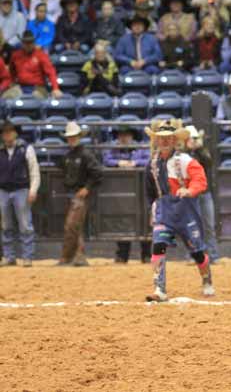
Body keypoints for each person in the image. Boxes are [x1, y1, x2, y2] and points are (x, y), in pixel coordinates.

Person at [144, 118, 215, 301]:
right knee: (158, 245)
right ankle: (159, 288)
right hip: (164, 211)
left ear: (175, 140)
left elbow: (200, 180)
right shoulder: (152, 165)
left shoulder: (185, 160)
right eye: (161, 137)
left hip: (186, 211)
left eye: (168, 137)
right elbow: (150, 192)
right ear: (156, 140)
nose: (164, 141)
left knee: (197, 252)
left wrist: (190, 190)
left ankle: (206, 279)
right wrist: (153, 210)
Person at [56, 121, 103, 266]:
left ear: (79, 137)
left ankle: (69, 256)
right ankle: (76, 256)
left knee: (72, 224)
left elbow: (97, 173)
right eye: (70, 137)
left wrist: (87, 188)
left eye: (74, 136)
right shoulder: (68, 156)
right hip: (72, 193)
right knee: (75, 225)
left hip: (79, 194)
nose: (71, 139)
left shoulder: (86, 154)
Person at [103, 125, 151, 263]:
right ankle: (122, 255)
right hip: (121, 191)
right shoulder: (113, 149)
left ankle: (146, 255)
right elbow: (106, 160)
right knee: (122, 221)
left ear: (132, 136)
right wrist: (119, 163)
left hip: (141, 190)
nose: (124, 137)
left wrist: (134, 163)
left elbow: (148, 160)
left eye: (126, 135)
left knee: (144, 221)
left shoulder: (141, 148)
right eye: (121, 135)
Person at [0, 120, 40, 267]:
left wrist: (33, 189)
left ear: (15, 133)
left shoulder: (26, 148)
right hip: (3, 191)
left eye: (9, 132)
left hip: (21, 190)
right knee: (5, 225)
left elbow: (34, 171)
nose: (7, 135)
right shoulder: (1, 150)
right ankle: (9, 256)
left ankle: (27, 256)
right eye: (4, 132)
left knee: (25, 225)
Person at [185, 125, 220, 263]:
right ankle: (193, 255)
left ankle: (213, 255)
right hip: (191, 194)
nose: (193, 141)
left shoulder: (203, 152)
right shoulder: (183, 154)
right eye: (191, 138)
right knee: (192, 225)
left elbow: (209, 162)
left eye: (194, 138)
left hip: (203, 193)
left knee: (208, 226)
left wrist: (199, 148)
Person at [5, 30, 62, 99]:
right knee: (7, 97)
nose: (28, 45)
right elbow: (12, 71)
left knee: (36, 98)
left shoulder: (41, 55)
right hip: (20, 86)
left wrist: (55, 88)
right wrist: (12, 82)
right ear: (22, 43)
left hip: (38, 87)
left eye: (30, 42)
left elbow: (51, 72)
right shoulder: (15, 55)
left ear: (34, 42)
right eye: (26, 42)